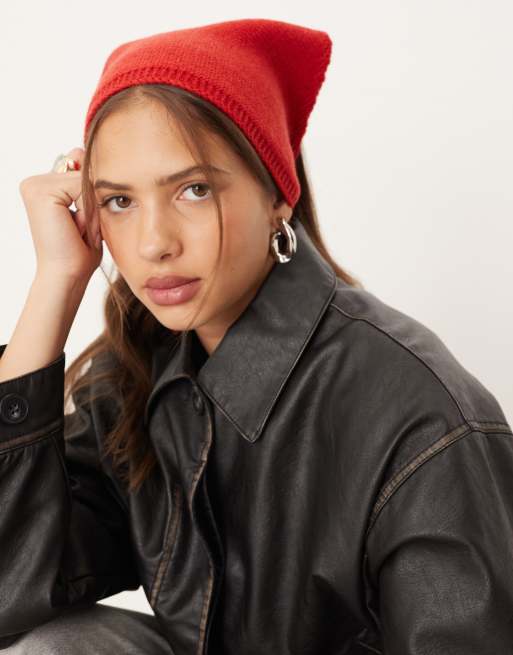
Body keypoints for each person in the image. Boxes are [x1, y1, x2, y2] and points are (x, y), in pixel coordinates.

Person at [0, 16, 512, 655]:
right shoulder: (140, 371)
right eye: (120, 202)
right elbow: (12, 589)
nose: (154, 243)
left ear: (277, 195)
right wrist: (54, 282)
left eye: (193, 190)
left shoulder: (421, 420)